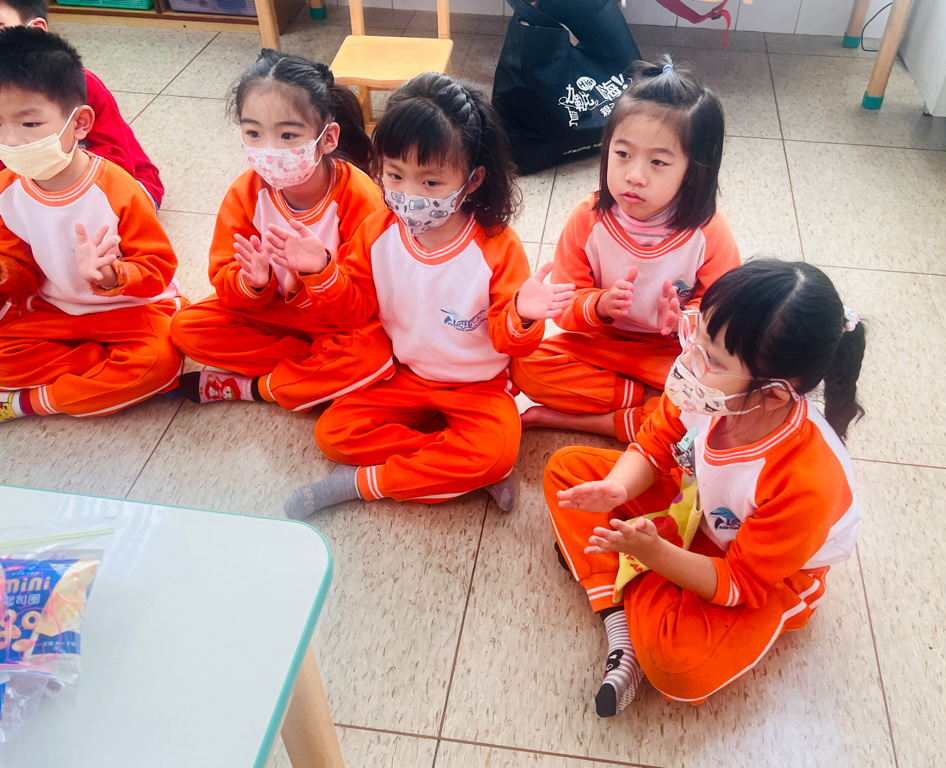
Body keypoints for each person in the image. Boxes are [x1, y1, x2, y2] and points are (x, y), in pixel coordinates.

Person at [544, 260, 866, 717]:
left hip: (765, 573)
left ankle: (621, 584)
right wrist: (616, 489)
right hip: (696, 505)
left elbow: (742, 582)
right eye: (695, 332)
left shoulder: (808, 481)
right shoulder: (708, 390)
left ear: (774, 393)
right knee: (567, 471)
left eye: (712, 358)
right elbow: (654, 445)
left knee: (679, 667)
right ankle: (623, 624)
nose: (689, 361)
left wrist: (653, 553)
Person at [278, 72, 573, 517]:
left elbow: (509, 342)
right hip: (404, 375)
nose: (409, 195)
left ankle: (362, 482)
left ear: (472, 180)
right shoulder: (376, 232)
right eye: (395, 175)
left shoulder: (497, 247)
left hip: (479, 387)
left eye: (431, 183)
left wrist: (523, 315)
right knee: (333, 433)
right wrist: (321, 272)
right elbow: (354, 311)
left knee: (496, 452)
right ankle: (456, 463)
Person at [513, 57, 739, 443]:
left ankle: (594, 420)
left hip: (668, 353)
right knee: (527, 368)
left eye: (658, 162)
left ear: (693, 171)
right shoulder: (588, 219)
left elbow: (728, 313)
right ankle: (649, 405)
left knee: (726, 394)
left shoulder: (708, 230)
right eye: (622, 154)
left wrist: (684, 318)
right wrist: (599, 305)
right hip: (603, 344)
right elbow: (565, 309)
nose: (634, 175)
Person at [169, 50, 395, 413]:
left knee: (375, 354)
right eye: (253, 133)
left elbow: (362, 307)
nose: (268, 150)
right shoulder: (246, 191)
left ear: (327, 138)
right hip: (274, 314)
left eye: (288, 134)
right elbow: (224, 279)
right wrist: (252, 284)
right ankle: (314, 369)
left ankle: (255, 388)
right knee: (186, 328)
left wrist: (319, 273)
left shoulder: (359, 196)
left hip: (336, 322)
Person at [0, 28, 184, 422]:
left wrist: (113, 275)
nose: (11, 141)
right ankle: (93, 361)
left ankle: (27, 402)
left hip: (130, 310)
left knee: (160, 361)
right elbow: (20, 270)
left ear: (80, 123)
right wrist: (4, 272)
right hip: (54, 309)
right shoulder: (6, 191)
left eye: (29, 124)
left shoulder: (117, 188)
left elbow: (158, 270)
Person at [0, 0, 165, 208]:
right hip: (30, 185)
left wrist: (56, 182)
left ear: (35, 30)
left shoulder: (80, 84)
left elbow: (117, 157)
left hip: (118, 181)